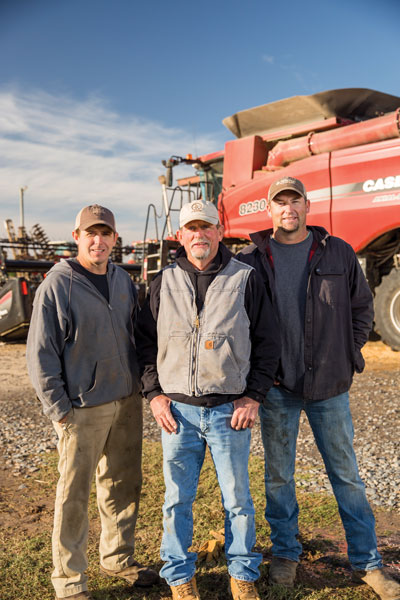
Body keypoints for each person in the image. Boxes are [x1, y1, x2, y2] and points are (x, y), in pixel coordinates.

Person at [237, 177, 400, 600]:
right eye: (280, 202)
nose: (288, 208)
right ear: (269, 210)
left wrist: (347, 354)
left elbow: (362, 309)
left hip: (330, 386)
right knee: (278, 477)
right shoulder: (252, 259)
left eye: (295, 201)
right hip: (276, 388)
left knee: (346, 476)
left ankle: (367, 562)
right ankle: (287, 555)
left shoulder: (338, 252)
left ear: (308, 206)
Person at [135, 200, 280, 600]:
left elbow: (269, 342)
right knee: (176, 500)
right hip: (176, 414)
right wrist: (154, 395)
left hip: (229, 413)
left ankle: (242, 573)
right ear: (180, 237)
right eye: (191, 228)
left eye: (207, 227)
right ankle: (180, 576)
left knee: (237, 500)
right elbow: (146, 345)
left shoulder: (246, 278)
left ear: (220, 231)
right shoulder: (163, 282)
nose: (199, 235)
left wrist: (253, 396)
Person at [26, 204, 159, 600]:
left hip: (125, 400)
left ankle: (117, 558)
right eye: (91, 234)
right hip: (81, 409)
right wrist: (60, 410)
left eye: (105, 234)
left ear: (115, 239)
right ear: (77, 236)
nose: (98, 241)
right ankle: (69, 582)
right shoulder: (58, 285)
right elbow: (41, 354)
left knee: (122, 485)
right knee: (74, 494)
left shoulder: (121, 279)